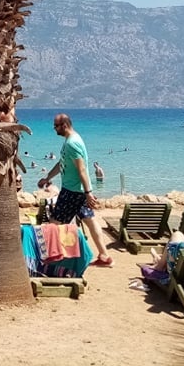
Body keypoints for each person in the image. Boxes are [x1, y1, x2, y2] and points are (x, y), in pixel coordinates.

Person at [37, 113, 113, 267]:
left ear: (64, 125)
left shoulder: (72, 143)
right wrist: (48, 177)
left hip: (72, 191)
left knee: (54, 223)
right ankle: (105, 256)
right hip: (77, 191)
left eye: (56, 126)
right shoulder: (71, 140)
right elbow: (62, 163)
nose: (54, 129)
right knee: (90, 221)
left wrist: (88, 192)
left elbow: (82, 169)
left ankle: (47, 257)